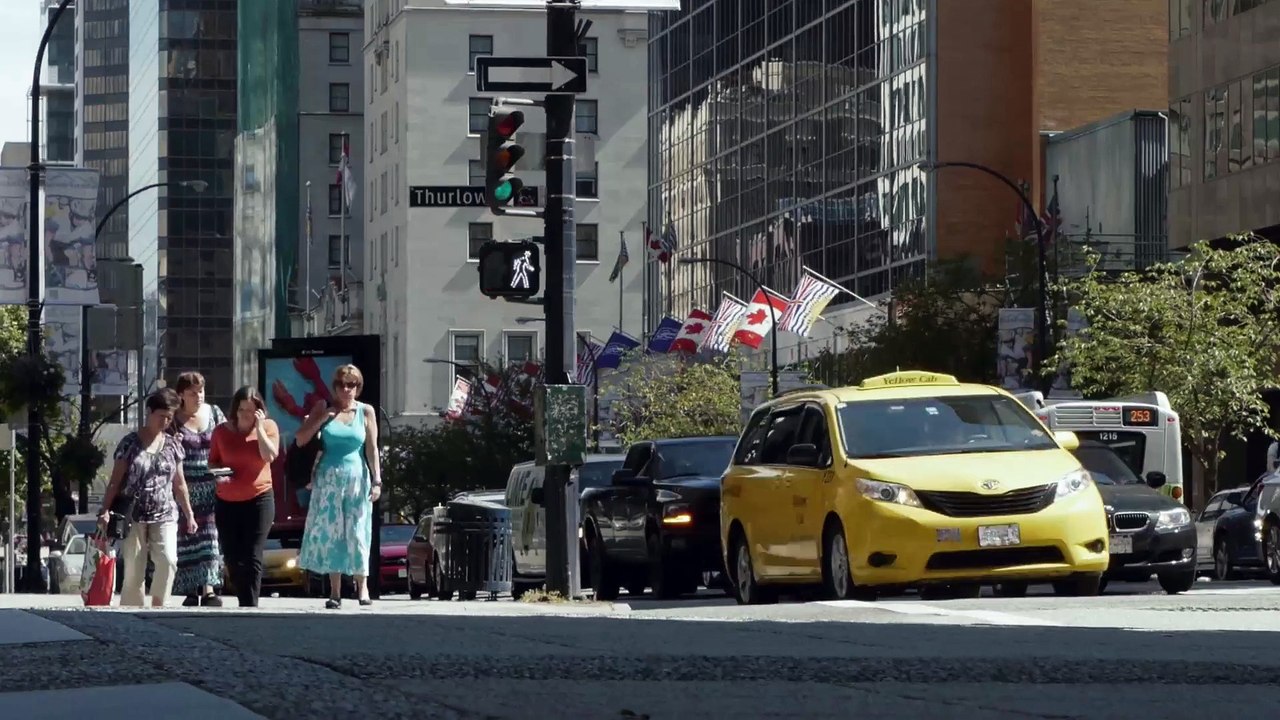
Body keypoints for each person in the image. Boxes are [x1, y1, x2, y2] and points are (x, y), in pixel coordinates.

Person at [97, 389, 197, 608]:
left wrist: (189, 514)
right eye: (161, 416)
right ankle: (133, 611)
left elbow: (179, 483)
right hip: (133, 515)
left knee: (168, 560)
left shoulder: (172, 445)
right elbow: (115, 481)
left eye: (169, 417)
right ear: (149, 412)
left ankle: (159, 607)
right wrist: (104, 511)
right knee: (134, 570)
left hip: (165, 512)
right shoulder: (130, 444)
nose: (165, 421)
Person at [296, 364, 382, 609]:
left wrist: (377, 480)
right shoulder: (323, 407)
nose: (346, 389)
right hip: (328, 479)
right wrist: (323, 418)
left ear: (358, 387)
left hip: (357, 478)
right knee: (333, 533)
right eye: (341, 385)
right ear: (334, 387)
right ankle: (335, 591)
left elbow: (372, 448)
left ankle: (362, 587)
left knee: (357, 531)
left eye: (351, 384)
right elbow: (301, 439)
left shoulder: (366, 411)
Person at [209, 385, 280, 607]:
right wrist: (219, 473)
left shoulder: (268, 427)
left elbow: (270, 456)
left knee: (252, 554)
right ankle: (243, 597)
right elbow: (212, 461)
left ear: (259, 411)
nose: (245, 415)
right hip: (227, 501)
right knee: (232, 556)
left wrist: (259, 429)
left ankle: (250, 605)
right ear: (235, 410)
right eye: (241, 410)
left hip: (259, 498)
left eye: (250, 411)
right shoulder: (221, 432)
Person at [170, 371, 226, 607]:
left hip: (212, 485)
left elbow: (226, 440)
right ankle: (191, 589)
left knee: (210, 539)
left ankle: (209, 589)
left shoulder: (214, 413)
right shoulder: (173, 419)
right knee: (188, 540)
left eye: (201, 391)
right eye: (192, 393)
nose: (198, 396)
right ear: (181, 395)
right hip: (185, 488)